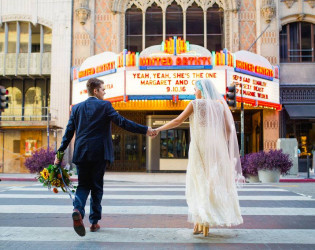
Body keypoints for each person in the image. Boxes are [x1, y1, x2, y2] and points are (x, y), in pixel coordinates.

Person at [54, 77, 156, 237]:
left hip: (81, 153)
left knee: (82, 186)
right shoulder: (105, 106)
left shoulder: (77, 108)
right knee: (96, 187)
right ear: (95, 91)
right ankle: (94, 222)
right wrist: (145, 130)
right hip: (99, 153)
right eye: (103, 89)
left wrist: (59, 155)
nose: (105, 92)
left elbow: (68, 133)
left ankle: (77, 210)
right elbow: (122, 122)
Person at [154, 79, 244, 236]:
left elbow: (177, 121)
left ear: (202, 90)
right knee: (212, 183)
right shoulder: (219, 106)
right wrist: (222, 144)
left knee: (198, 183)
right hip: (215, 148)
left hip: (199, 148)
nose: (193, 91)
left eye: (195, 88)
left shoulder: (194, 104)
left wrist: (158, 129)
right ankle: (200, 222)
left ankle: (203, 221)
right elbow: (229, 129)